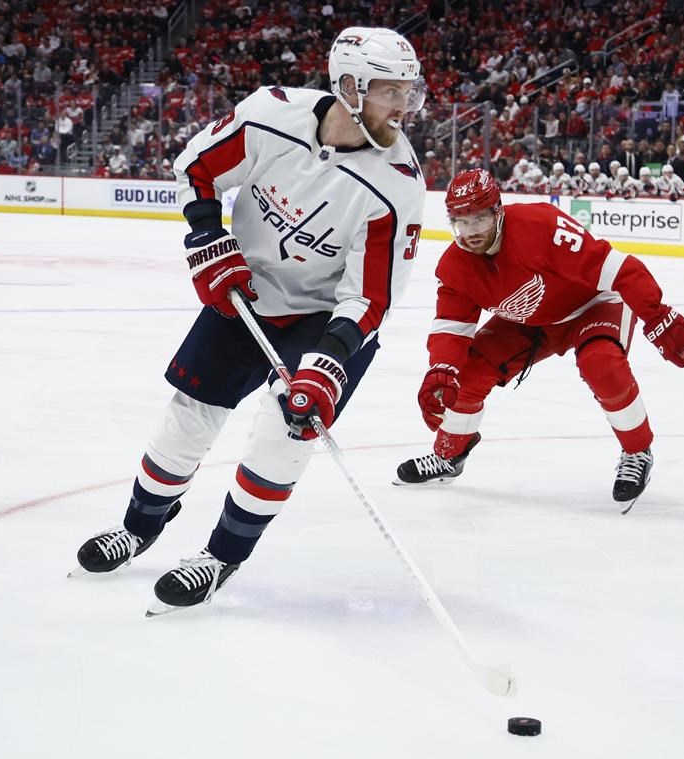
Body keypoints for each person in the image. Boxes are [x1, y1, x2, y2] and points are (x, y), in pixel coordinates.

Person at [71, 27, 428, 611]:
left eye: (408, 91)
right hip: (246, 294)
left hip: (326, 320)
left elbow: (370, 298)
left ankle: (221, 557)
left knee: (284, 433)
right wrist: (209, 237)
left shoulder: (398, 185)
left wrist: (326, 364)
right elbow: (197, 165)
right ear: (347, 87)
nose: (404, 106)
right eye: (391, 91)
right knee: (189, 414)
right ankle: (138, 528)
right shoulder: (271, 115)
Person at [392, 169, 684, 509]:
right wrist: (440, 369)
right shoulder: (455, 266)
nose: (470, 233)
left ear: (499, 210)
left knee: (601, 365)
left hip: (592, 305)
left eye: (479, 219)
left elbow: (619, 269)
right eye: (460, 223)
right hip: (530, 321)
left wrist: (658, 315)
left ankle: (637, 450)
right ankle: (448, 455)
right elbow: (451, 328)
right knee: (464, 374)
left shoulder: (541, 227)